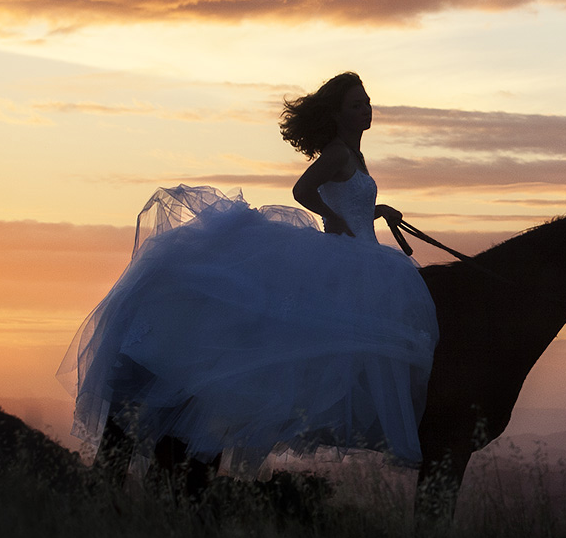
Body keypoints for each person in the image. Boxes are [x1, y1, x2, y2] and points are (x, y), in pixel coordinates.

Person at [57, 72, 438, 476]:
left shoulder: (355, 157)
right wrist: (335, 219)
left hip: (365, 254)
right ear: (337, 115)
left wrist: (374, 212)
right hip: (350, 258)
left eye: (367, 102)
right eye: (356, 104)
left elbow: (349, 199)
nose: (366, 109)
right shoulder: (339, 153)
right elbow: (302, 191)